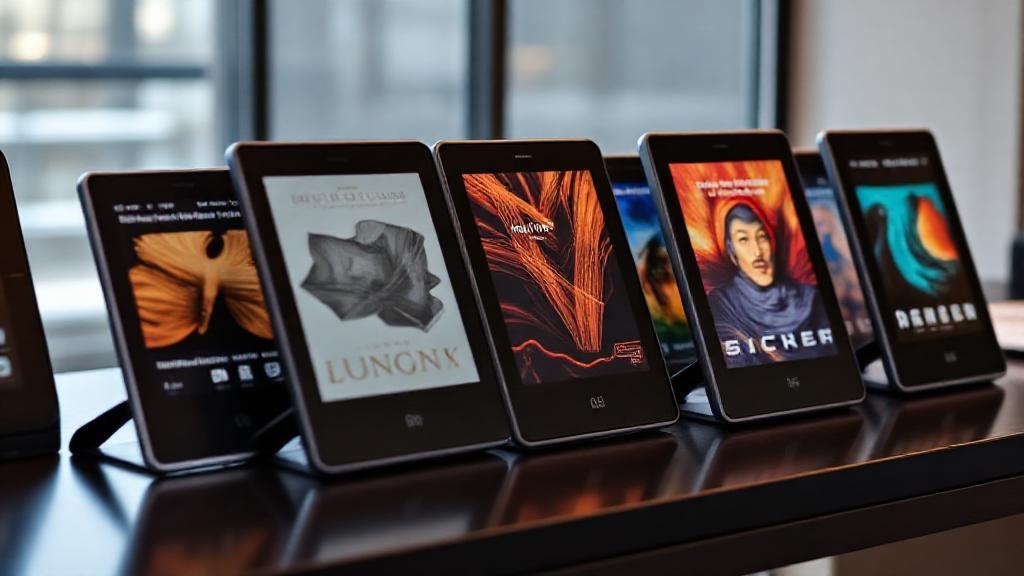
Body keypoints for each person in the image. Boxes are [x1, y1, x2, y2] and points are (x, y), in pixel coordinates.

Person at [707, 203, 831, 366]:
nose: (757, 251)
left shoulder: (810, 297)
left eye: (762, 237)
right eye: (743, 239)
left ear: (772, 242)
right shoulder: (721, 304)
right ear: (731, 250)